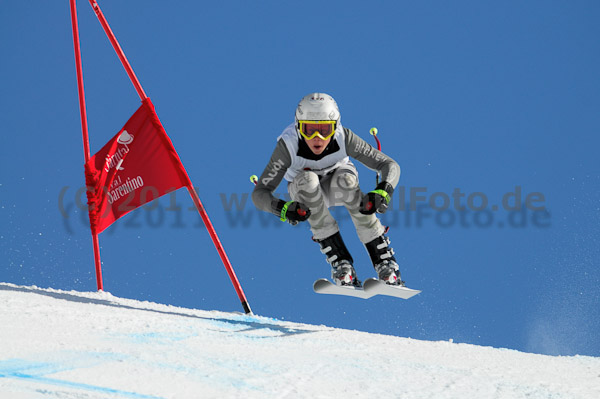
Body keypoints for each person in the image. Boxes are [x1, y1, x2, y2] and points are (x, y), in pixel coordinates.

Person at [252, 93, 403, 287]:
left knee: (345, 181)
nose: (317, 138)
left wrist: (383, 191)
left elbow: (389, 165)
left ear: (335, 127)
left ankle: (384, 261)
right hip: (307, 193)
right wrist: (282, 208)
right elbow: (260, 193)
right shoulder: (288, 146)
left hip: (339, 184)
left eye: (325, 129)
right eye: (309, 130)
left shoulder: (344, 137)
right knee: (307, 181)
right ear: (299, 127)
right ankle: (341, 263)